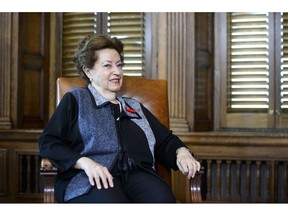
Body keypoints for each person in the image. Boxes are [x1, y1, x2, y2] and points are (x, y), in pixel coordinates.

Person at [38, 34, 201, 203]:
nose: (117, 71)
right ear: (88, 71)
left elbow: (165, 141)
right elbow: (49, 142)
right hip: (90, 178)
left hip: (138, 175)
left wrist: (181, 152)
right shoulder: (76, 99)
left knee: (162, 199)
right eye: (107, 65)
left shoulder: (134, 106)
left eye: (119, 65)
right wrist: (84, 162)